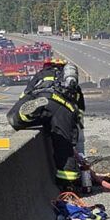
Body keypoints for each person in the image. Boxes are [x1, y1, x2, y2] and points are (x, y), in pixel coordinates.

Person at [7, 59, 85, 187]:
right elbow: (80, 108)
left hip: (42, 98)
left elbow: (26, 94)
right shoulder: (69, 81)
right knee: (63, 147)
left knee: (14, 119)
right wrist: (74, 124)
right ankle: (68, 184)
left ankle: (27, 114)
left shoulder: (41, 74)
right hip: (63, 108)